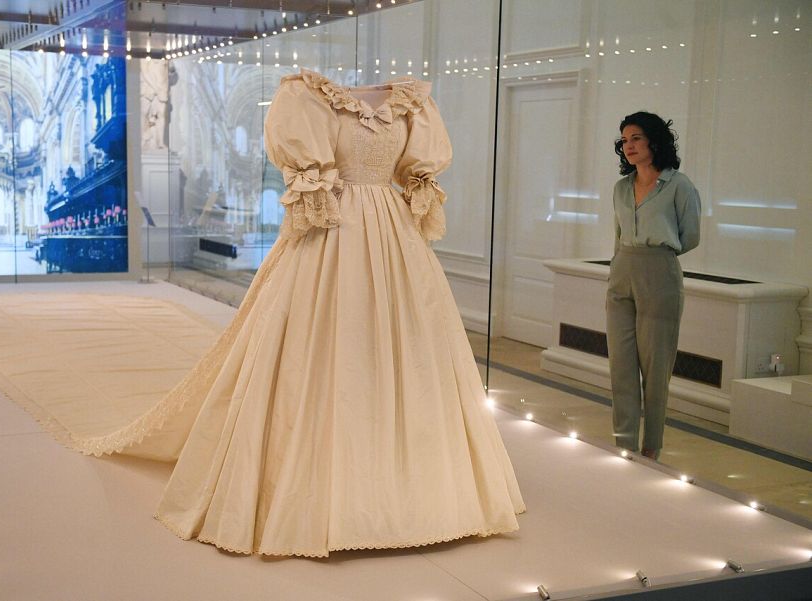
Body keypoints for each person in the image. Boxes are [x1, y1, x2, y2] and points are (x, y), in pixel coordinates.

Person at [72, 69, 525, 557]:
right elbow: (307, 172)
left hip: (395, 238)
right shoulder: (306, 96)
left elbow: (416, 174)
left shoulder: (413, 104)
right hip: (330, 228)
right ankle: (318, 485)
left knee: (406, 349)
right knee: (319, 344)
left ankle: (416, 487)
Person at [607, 111, 701, 460]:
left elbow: (690, 236)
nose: (628, 146)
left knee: (656, 367)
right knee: (621, 366)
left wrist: (657, 255)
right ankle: (624, 445)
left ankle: (651, 447)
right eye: (624, 140)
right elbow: (618, 235)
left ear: (654, 141)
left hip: (660, 274)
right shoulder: (620, 188)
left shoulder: (679, 185)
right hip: (622, 272)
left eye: (636, 138)